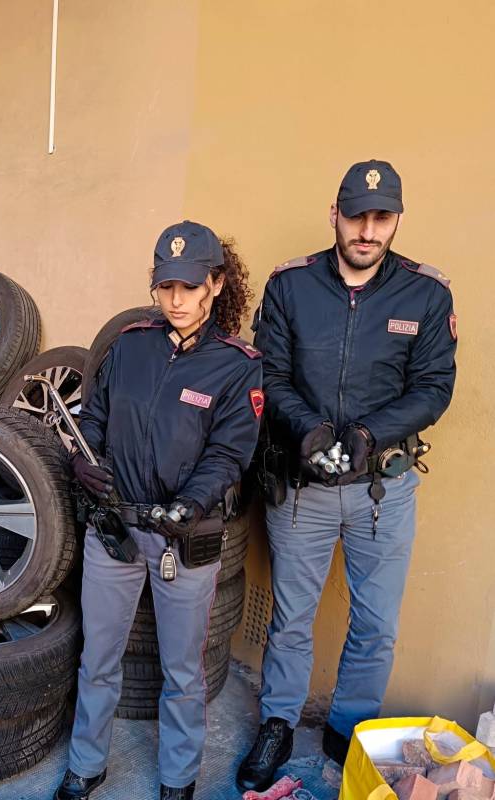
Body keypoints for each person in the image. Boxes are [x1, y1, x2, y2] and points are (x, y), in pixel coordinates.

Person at [235, 160, 457, 794]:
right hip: (300, 488)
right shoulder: (290, 287)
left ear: (395, 221)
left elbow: (433, 388)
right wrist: (306, 430)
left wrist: (367, 435)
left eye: (380, 217)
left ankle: (349, 731)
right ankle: (276, 723)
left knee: (376, 624)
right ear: (334, 214)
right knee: (292, 618)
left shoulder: (426, 294)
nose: (367, 229)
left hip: (382, 489)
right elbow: (268, 375)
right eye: (356, 215)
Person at [53, 220, 263, 800]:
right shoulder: (131, 345)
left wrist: (190, 504)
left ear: (216, 284)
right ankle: (86, 766)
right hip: (115, 527)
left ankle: (177, 779)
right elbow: (92, 417)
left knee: (182, 671)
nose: (176, 300)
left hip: (185, 537)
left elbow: (229, 452)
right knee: (97, 659)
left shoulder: (237, 364)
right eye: (166, 286)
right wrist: (82, 461)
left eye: (190, 287)